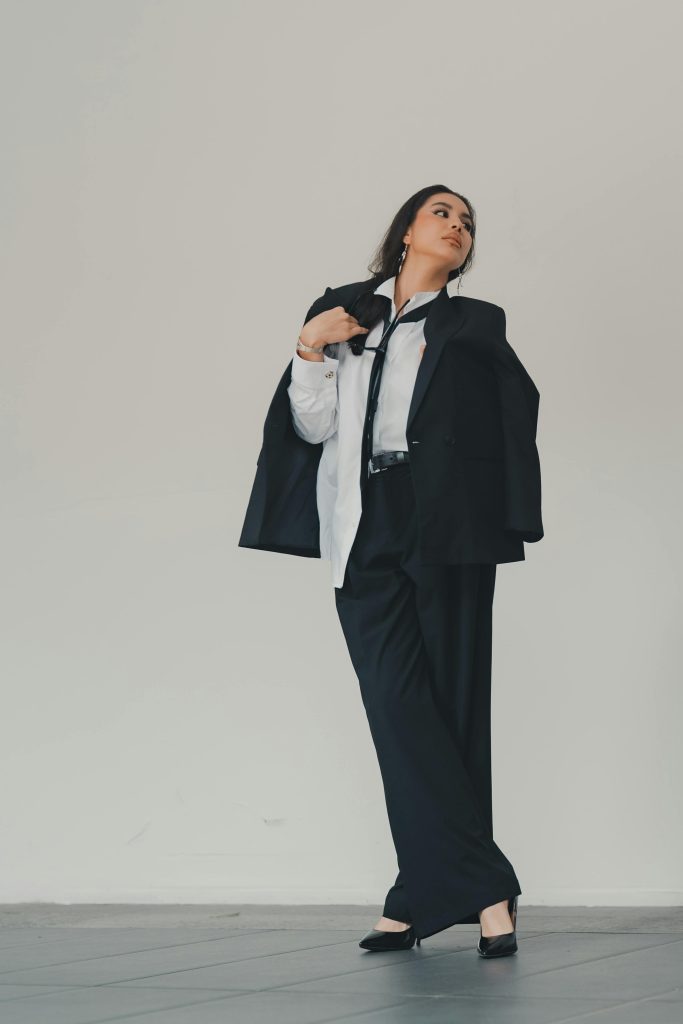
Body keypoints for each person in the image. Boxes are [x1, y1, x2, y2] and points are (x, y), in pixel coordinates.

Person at [238, 184, 544, 955]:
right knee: (396, 708)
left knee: (451, 705)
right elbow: (310, 424)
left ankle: (424, 894)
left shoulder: (474, 323)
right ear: (406, 230)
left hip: (446, 525)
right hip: (362, 519)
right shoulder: (345, 311)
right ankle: (482, 885)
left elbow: (506, 417)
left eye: (466, 223)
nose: (456, 226)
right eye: (442, 213)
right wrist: (309, 347)